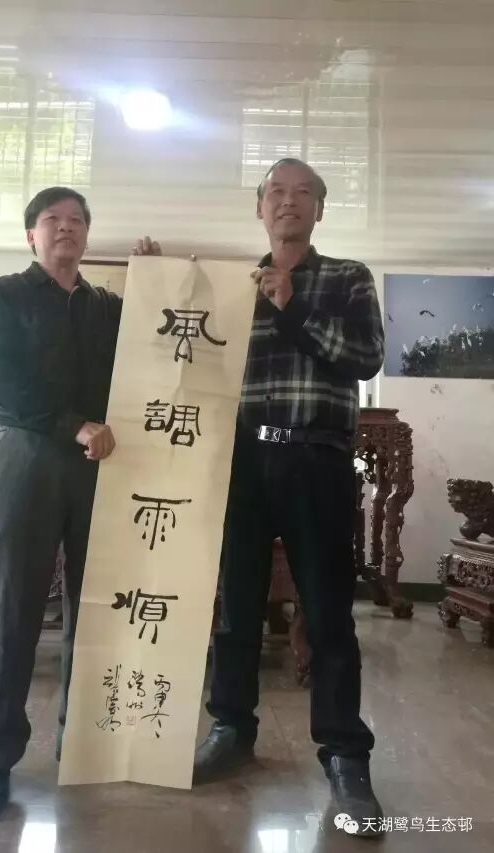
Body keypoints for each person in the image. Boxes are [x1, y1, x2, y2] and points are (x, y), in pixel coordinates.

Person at [193, 158, 385, 838]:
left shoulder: (348, 277)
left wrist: (292, 303)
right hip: (242, 458)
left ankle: (344, 754)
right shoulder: (231, 285)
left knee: (329, 613)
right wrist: (157, 278)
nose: (289, 202)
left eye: (304, 193)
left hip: (318, 456)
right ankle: (230, 727)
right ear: (259, 207)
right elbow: (187, 356)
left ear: (319, 210)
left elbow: (364, 357)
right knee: (235, 606)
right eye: (276, 191)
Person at [0, 185, 160, 820]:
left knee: (97, 606)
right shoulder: (5, 294)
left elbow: (155, 346)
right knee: (13, 605)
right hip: (26, 458)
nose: (66, 228)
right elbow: (1, 381)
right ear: (32, 234)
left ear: (88, 235)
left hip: (100, 464)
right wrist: (72, 425)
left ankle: (83, 741)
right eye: (53, 220)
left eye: (77, 220)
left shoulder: (106, 307)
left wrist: (154, 282)